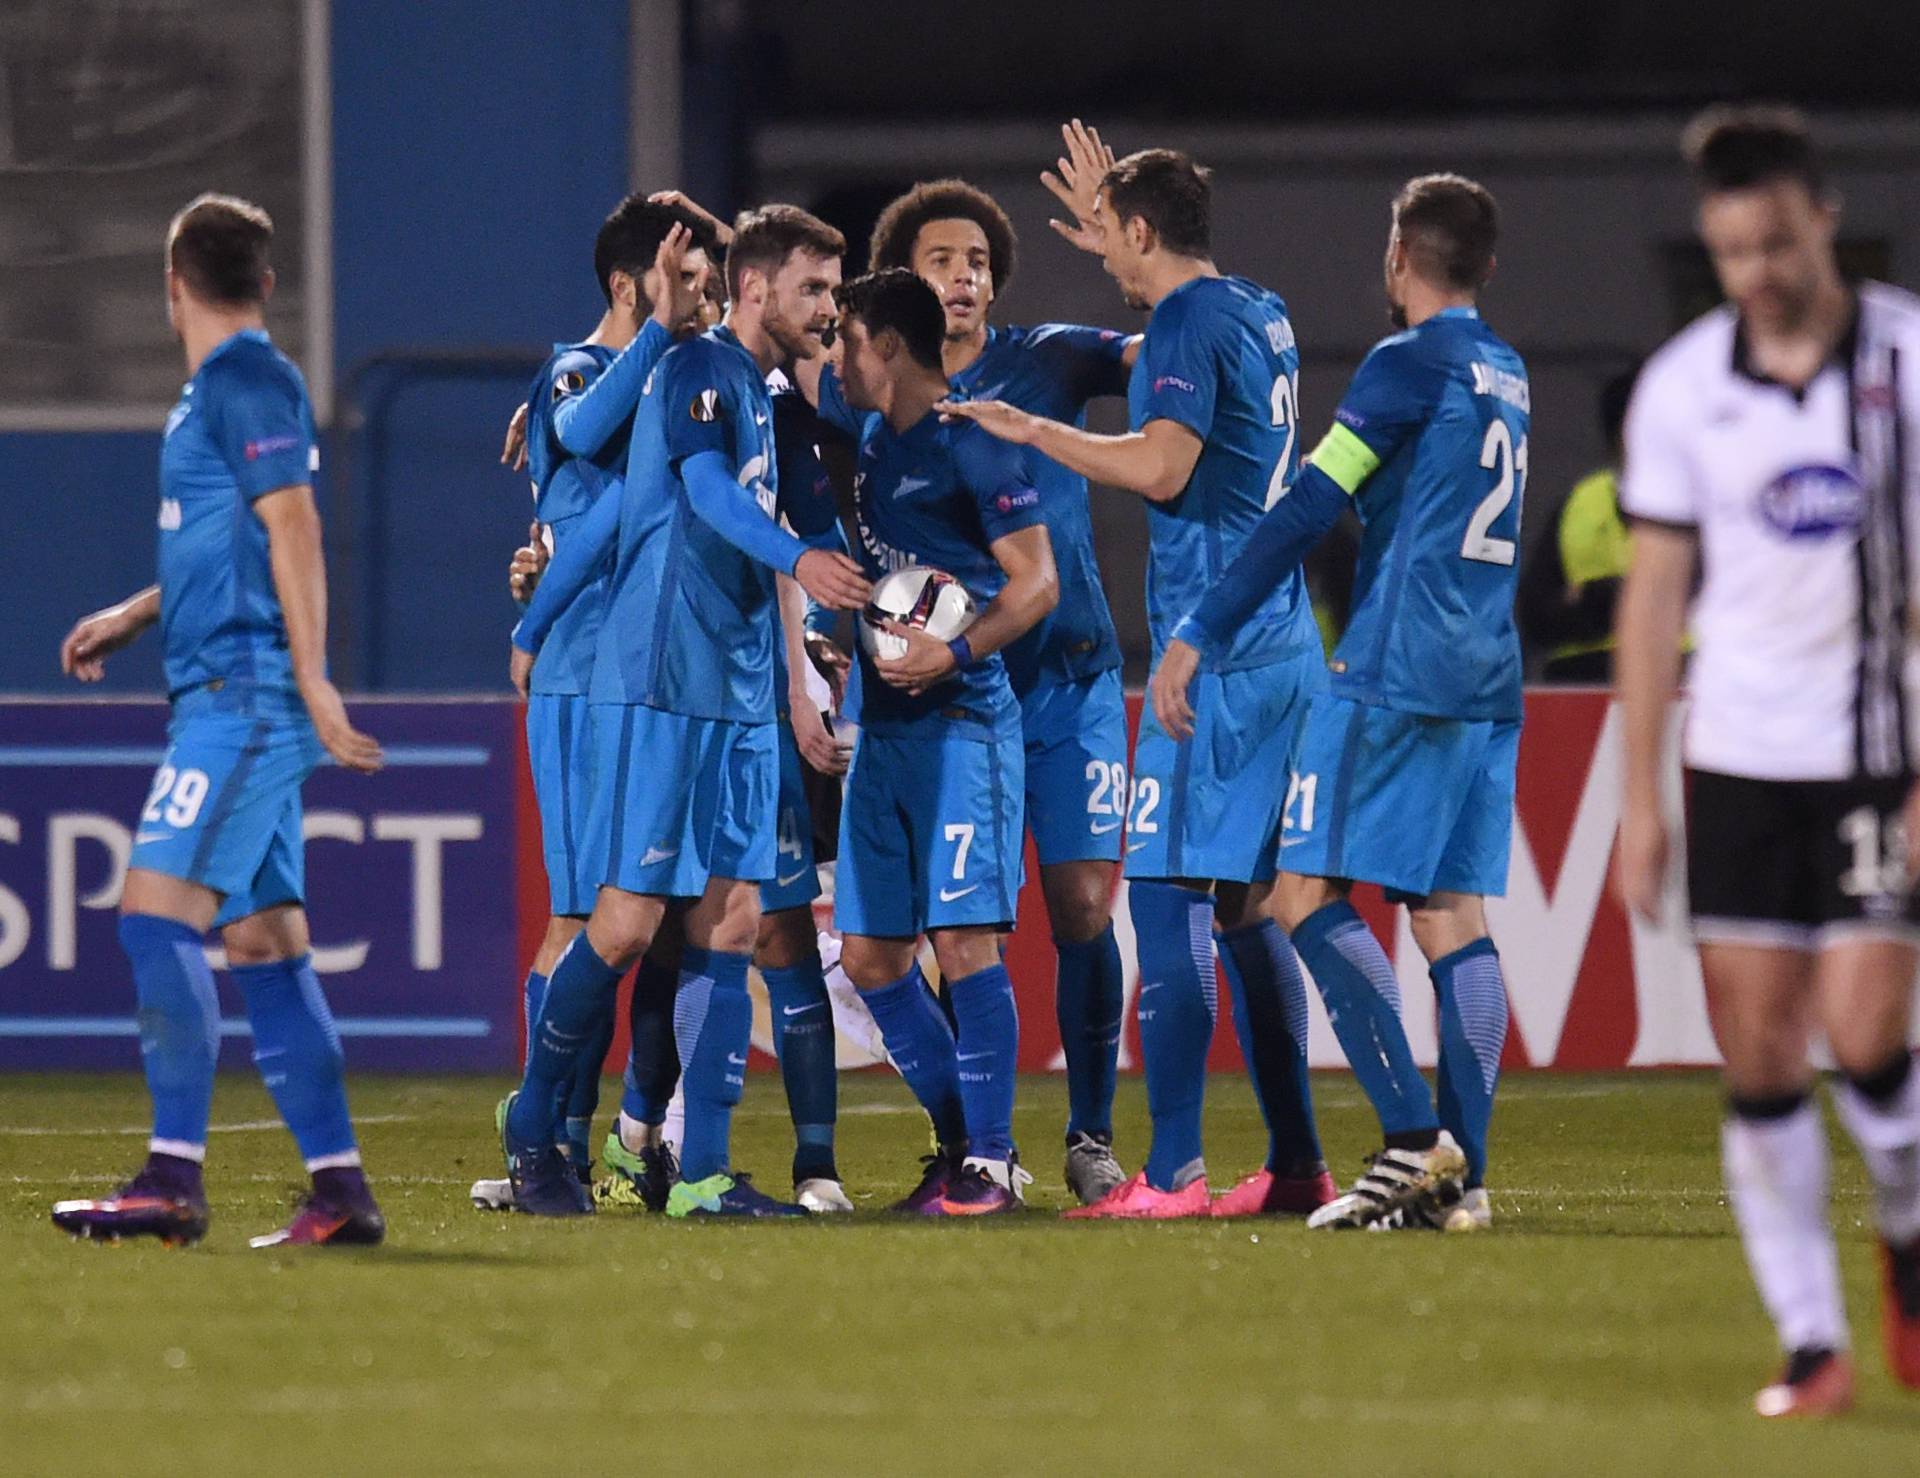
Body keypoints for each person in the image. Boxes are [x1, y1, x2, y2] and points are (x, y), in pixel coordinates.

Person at [945, 137, 1332, 1220]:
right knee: (1251, 907)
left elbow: (1162, 462)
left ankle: (1171, 1173)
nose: (1101, 252)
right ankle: (1298, 1164)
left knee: (1161, 901)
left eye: (1113, 232)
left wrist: (1036, 428)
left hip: (1209, 652)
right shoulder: (1259, 305)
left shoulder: (1183, 322)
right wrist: (1117, 208)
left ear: (1148, 233)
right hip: (1278, 636)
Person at [1614, 104, 1920, 1417]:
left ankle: (1905, 1231)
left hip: (1874, 755)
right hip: (1737, 759)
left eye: (1778, 242)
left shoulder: (1908, 360)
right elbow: (1650, 594)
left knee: (1867, 1038)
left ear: (1822, 219)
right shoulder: (1686, 388)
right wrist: (1640, 795)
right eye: (1735, 250)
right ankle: (1812, 1344)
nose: (1761, 272)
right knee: (1759, 1057)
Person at [1152, 172, 1527, 1234]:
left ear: (1399, 255)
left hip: (1399, 665)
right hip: (1488, 670)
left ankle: (1411, 1140)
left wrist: (1201, 626)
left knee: (1301, 894)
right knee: (1453, 914)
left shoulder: (1407, 362)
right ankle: (1466, 1177)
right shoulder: (1506, 367)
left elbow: (1313, 498)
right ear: (1487, 267)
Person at [500, 205, 870, 1218]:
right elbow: (701, 493)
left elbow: (635, 504)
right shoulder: (697, 370)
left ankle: (700, 1173)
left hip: (741, 690)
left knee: (735, 918)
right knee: (622, 924)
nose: (829, 310)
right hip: (661, 682)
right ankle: (537, 1125)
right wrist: (541, 623)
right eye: (815, 290)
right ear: (756, 290)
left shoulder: (769, 393)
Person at [50, 194, 386, 1249]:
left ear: (171, 283)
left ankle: (172, 1178)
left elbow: (295, 526)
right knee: (265, 941)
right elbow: (233, 541)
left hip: (243, 699)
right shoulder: (227, 390)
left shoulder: (242, 378)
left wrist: (315, 680)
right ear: (266, 281)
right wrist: (134, 612)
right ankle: (339, 1192)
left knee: (154, 917)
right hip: (230, 684)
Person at [862, 171, 1139, 1204]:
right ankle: (970, 1143)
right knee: (943, 931)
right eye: (941, 260)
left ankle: (1091, 1131)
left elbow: (1175, 355)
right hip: (950, 705)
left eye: (977, 262)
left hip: (1065, 683)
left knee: (1079, 900)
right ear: (904, 280)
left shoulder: (1049, 360)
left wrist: (1136, 260)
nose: (964, 277)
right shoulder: (881, 406)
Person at [467, 197, 719, 1215]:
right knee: (580, 915)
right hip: (580, 670)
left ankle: (619, 1143)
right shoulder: (580, 369)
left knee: (665, 921)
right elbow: (581, 432)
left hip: (657, 675)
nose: (702, 295)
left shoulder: (674, 378)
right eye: (685, 276)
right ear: (632, 283)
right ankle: (551, 1145)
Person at [814, 268, 1060, 1215]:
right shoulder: (874, 442)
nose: (837, 358)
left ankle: (989, 1168)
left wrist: (952, 653)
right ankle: (964, 1146)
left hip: (964, 722)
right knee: (874, 959)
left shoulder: (974, 446)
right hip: (887, 730)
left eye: (846, 340)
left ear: (886, 347)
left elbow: (1036, 584)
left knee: (962, 942)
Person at [1519, 366, 1639, 682]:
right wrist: (1597, 601)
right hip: (1583, 686)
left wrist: (1587, 599)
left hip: (1676, 679)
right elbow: (1535, 615)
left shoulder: (1701, 505)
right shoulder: (1581, 504)